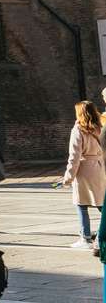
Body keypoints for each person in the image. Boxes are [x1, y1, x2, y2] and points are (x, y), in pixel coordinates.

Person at [62, 100, 106, 249]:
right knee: (101, 203)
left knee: (81, 204)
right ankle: (100, 234)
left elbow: (74, 157)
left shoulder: (78, 130)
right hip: (100, 168)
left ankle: (85, 237)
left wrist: (68, 178)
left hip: (84, 170)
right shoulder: (101, 127)